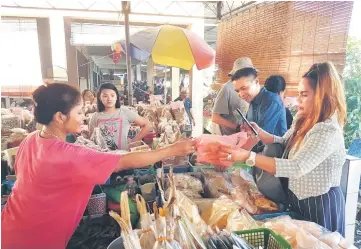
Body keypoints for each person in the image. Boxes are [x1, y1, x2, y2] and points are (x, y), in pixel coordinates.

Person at [1, 83, 195, 249]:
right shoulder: (67, 155)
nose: (83, 117)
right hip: (37, 240)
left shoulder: (31, 139)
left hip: (11, 226)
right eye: (79, 112)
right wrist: (172, 150)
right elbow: (123, 161)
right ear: (60, 117)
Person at [216, 62, 347, 235]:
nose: (298, 99)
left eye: (304, 95)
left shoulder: (327, 129)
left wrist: (248, 156)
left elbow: (297, 167)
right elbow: (283, 142)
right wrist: (259, 131)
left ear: (322, 95)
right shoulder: (303, 119)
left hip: (320, 203)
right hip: (297, 198)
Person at [232, 58, 287, 139]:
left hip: (272, 150)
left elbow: (259, 138)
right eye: (237, 91)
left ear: (256, 81)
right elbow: (249, 132)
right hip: (254, 150)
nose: (240, 94)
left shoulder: (272, 101)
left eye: (244, 88)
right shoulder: (252, 102)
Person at [88, 83, 151, 150]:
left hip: (123, 156)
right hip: (104, 157)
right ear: (100, 98)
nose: (109, 99)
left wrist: (134, 141)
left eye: (112, 95)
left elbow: (147, 124)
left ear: (116, 97)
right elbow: (92, 138)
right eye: (105, 96)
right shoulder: (95, 117)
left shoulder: (124, 112)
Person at [212, 58, 248, 135]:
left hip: (242, 136)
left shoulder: (248, 89)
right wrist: (237, 128)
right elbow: (215, 117)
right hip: (229, 138)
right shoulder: (227, 88)